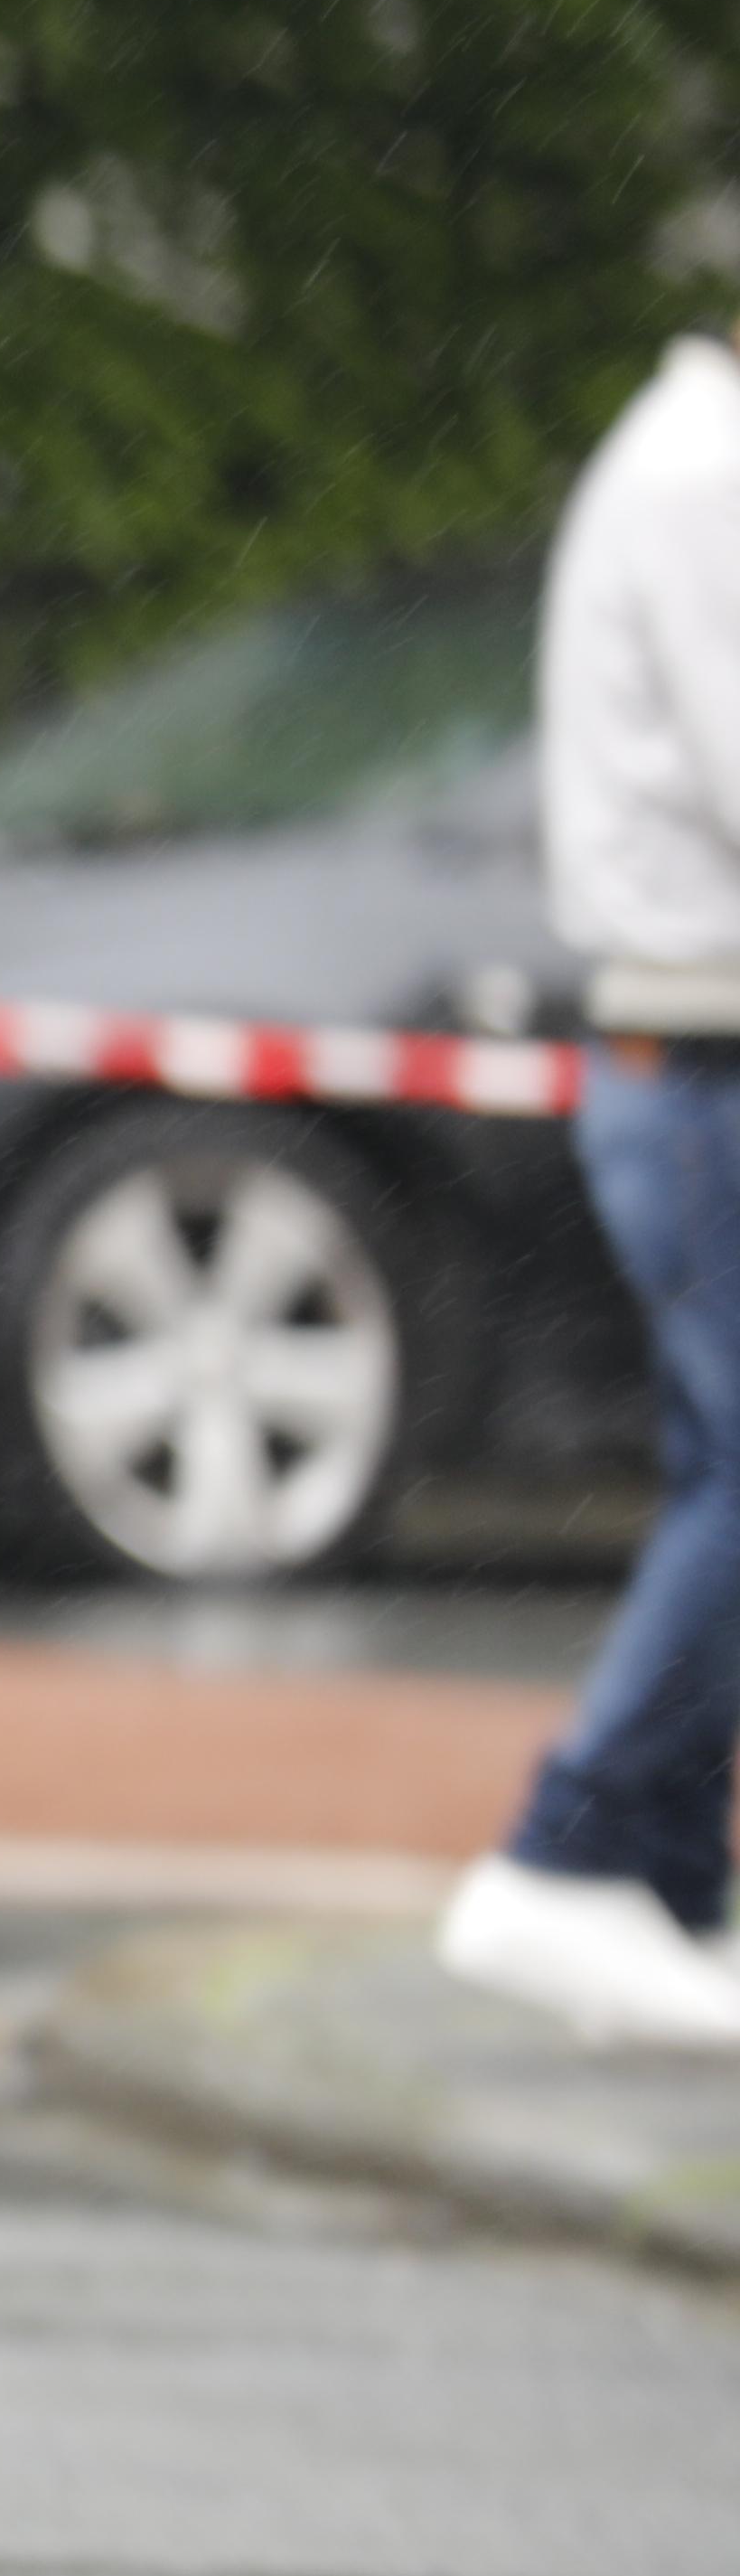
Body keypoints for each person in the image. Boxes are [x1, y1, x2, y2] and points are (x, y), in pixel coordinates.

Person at [446, 323, 740, 2045]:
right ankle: (571, 1855)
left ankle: (648, 1880)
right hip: (706, 1058)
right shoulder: (710, 474)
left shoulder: (687, 454)